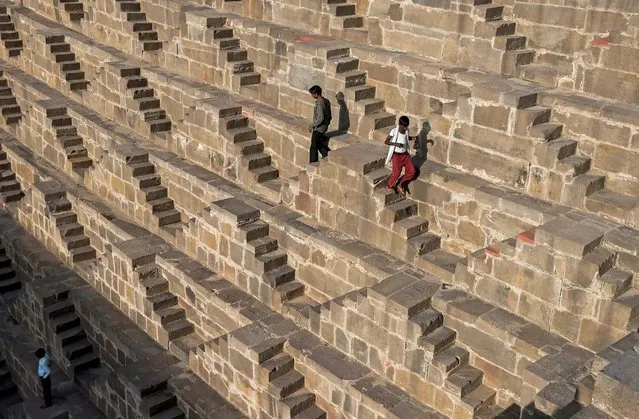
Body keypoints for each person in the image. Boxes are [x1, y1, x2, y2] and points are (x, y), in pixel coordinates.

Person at [384, 115, 417, 194]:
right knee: (396, 174)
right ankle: (389, 186)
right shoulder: (394, 131)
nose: (405, 128)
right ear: (400, 125)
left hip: (405, 155)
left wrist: (414, 138)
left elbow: (407, 138)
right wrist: (396, 144)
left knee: (412, 171)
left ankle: (400, 184)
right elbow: (386, 141)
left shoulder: (406, 131)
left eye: (406, 127)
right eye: (404, 127)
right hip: (396, 156)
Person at [308, 85, 332, 163]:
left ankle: (313, 163)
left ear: (316, 94)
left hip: (319, 128)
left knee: (313, 146)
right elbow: (329, 115)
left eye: (312, 94)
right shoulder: (326, 101)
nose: (312, 95)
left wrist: (312, 125)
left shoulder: (319, 103)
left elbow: (320, 118)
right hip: (325, 126)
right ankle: (327, 154)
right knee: (318, 143)